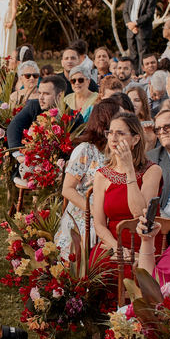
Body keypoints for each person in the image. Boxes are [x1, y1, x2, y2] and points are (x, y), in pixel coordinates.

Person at [91, 111, 162, 254]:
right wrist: (117, 248)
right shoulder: (102, 175)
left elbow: (139, 214)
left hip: (144, 244)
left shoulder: (152, 170)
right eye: (110, 133)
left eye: (120, 133)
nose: (113, 138)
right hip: (113, 244)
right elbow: (99, 224)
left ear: (135, 139)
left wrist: (129, 170)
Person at [56, 100, 117, 257]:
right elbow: (68, 189)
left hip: (111, 215)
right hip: (85, 215)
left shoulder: (117, 151)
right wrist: (95, 212)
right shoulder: (86, 150)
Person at [122, 0, 155, 73]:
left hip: (143, 30)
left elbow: (149, 14)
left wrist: (136, 23)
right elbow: (125, 11)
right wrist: (130, 25)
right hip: (131, 30)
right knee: (133, 55)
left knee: (142, 55)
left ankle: (142, 75)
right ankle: (134, 75)